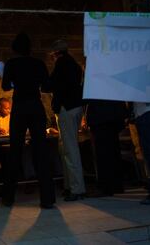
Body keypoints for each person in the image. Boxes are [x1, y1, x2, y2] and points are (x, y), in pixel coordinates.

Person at [1, 32, 56, 209]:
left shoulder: (11, 64)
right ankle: (47, 198)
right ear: (30, 48)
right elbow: (47, 86)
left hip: (19, 107)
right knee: (40, 151)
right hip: (35, 106)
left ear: (14, 48)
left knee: (15, 150)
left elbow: (5, 86)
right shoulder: (38, 63)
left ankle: (8, 197)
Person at [48, 39, 85, 201]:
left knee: (70, 149)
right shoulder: (74, 65)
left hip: (66, 108)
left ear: (55, 54)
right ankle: (70, 186)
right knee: (67, 148)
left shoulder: (61, 64)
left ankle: (77, 189)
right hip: (75, 107)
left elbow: (50, 85)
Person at [86, 99, 127, 197]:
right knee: (114, 150)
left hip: (100, 116)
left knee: (102, 153)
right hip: (115, 114)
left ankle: (105, 186)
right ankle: (117, 184)